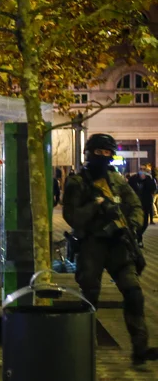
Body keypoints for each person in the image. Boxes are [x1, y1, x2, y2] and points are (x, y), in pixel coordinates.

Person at [63, 133, 158, 367]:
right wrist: (96, 206)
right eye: (99, 152)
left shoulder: (116, 180)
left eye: (108, 153)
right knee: (89, 297)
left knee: (134, 292)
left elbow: (135, 206)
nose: (103, 157)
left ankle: (140, 347)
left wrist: (133, 227)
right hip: (92, 245)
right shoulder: (77, 182)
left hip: (118, 244)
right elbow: (72, 216)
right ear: (89, 153)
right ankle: (82, 347)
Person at [127, 165, 156, 247]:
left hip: (145, 204)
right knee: (135, 222)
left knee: (145, 223)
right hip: (134, 204)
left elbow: (153, 189)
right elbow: (128, 189)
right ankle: (139, 239)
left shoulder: (148, 179)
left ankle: (137, 235)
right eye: (141, 169)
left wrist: (147, 180)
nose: (142, 171)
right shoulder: (133, 179)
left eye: (144, 169)